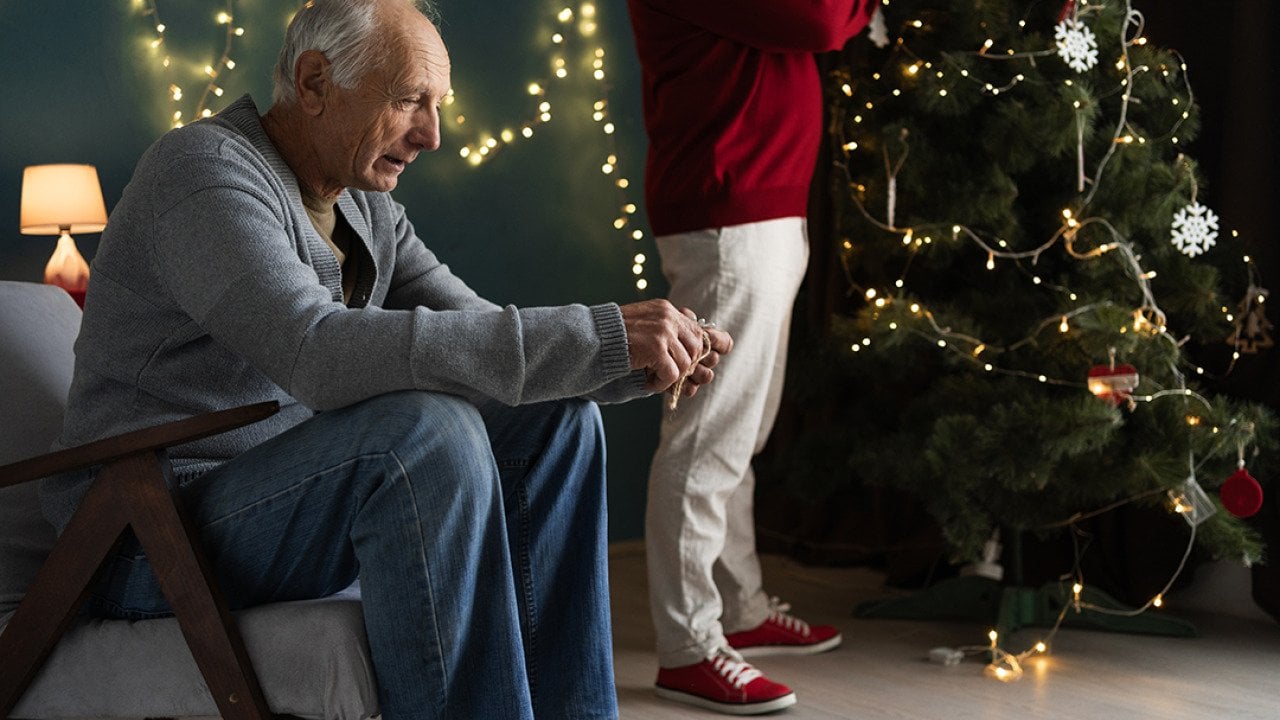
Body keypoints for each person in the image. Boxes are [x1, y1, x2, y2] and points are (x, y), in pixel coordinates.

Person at [37, 1, 732, 718]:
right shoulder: (203, 174)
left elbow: (480, 331)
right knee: (424, 434)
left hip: (271, 504)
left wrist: (631, 360)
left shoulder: (364, 207)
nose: (432, 134)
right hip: (147, 535)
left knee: (557, 419)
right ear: (313, 83)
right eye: (409, 101)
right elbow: (317, 351)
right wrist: (600, 334)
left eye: (436, 106)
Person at [625, 0, 879, 714]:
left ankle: (739, 606)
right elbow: (821, 20)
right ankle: (689, 646)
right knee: (709, 438)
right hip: (730, 207)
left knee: (743, 430)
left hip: (760, 203)